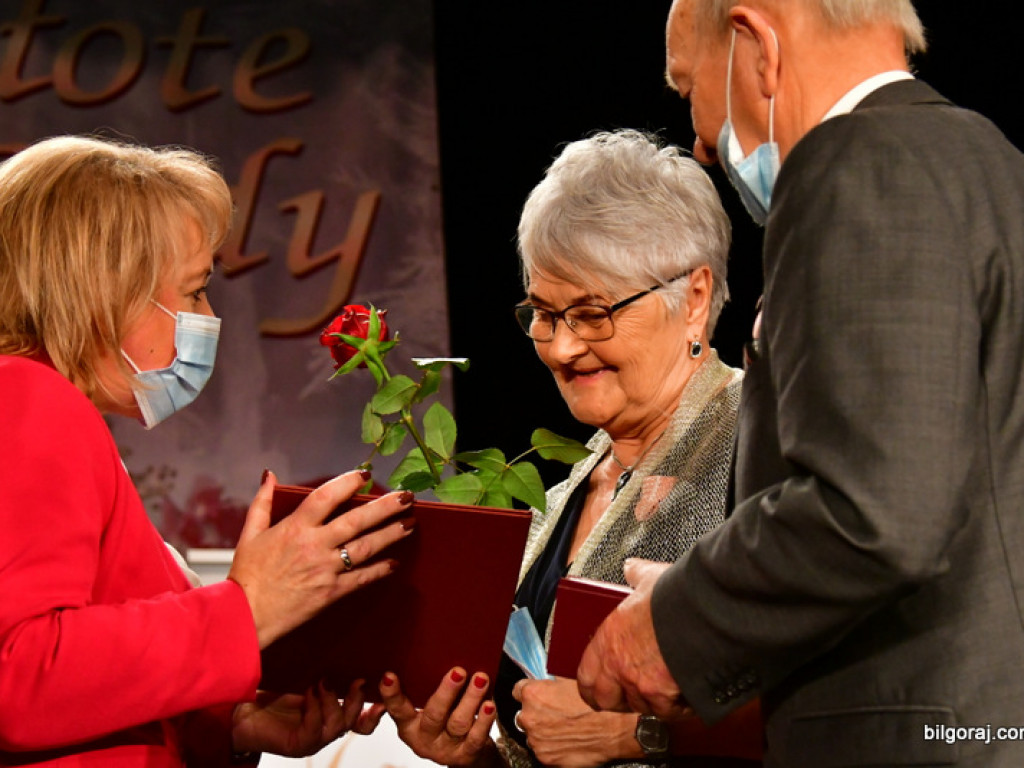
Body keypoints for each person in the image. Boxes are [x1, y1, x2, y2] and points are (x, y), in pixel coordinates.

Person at [576, 1, 1024, 766]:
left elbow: (875, 510)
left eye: (689, 89)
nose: (700, 142)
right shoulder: (988, 158)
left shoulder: (861, 165)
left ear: (756, 44)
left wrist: (672, 624)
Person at [0, 135, 416, 766]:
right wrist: (246, 611)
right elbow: (20, 678)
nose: (208, 312)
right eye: (194, 291)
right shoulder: (28, 396)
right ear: (102, 294)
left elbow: (85, 690)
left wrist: (231, 726)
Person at [379, 130, 761, 767]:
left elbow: (851, 705)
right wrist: (474, 755)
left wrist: (634, 736)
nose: (559, 348)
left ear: (693, 298)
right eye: (543, 314)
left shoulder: (761, 440)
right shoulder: (570, 489)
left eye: (591, 314)